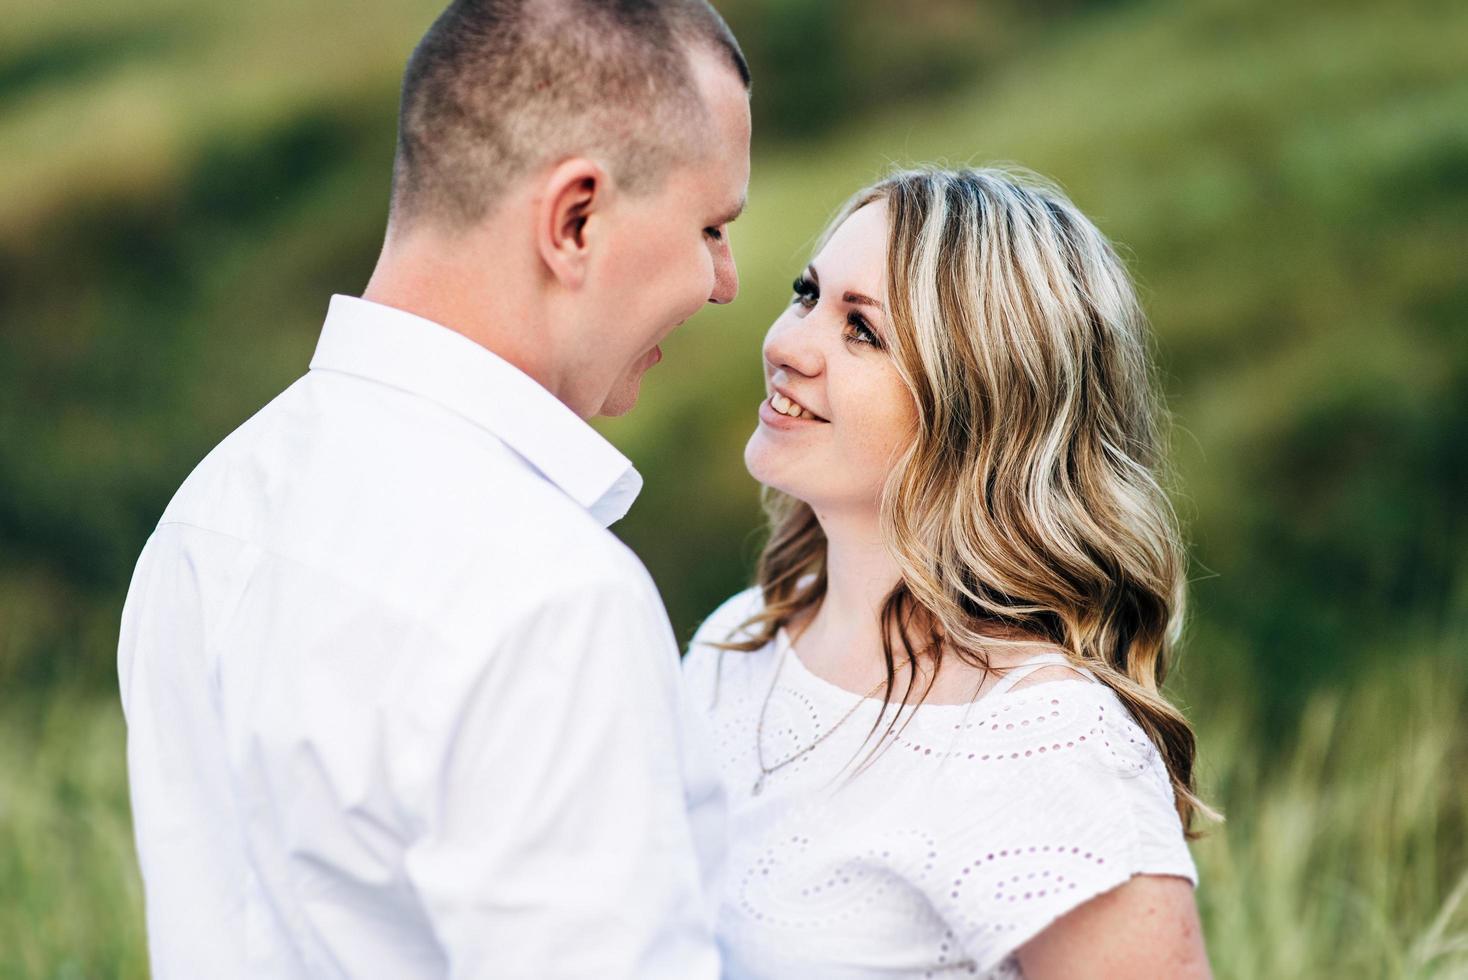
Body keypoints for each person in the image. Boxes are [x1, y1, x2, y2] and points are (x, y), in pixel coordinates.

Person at [116, 1, 750, 977]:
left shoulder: (210, 512)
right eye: (710, 226)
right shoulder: (553, 593)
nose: (725, 281)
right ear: (574, 218)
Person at [685, 167, 1214, 978]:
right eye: (807, 294)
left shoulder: (1043, 743)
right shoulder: (738, 639)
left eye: (862, 331)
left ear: (984, 408)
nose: (787, 345)